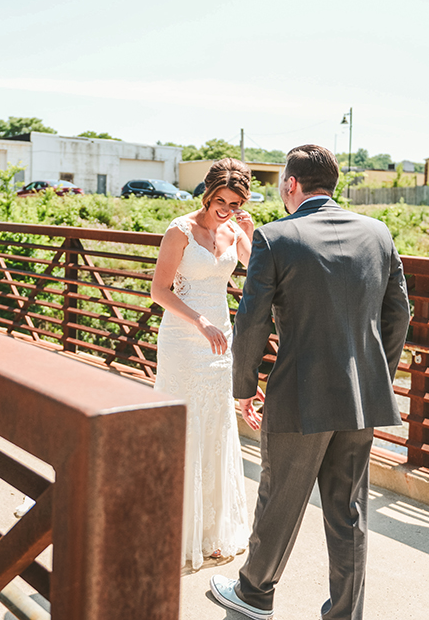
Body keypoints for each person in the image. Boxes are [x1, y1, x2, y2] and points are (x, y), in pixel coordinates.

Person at [210, 145, 410, 620]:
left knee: (279, 498)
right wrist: (376, 376)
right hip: (360, 398)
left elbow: (252, 322)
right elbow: (399, 313)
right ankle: (345, 614)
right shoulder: (378, 234)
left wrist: (243, 388)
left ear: (291, 185)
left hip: (298, 397)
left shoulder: (275, 237)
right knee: (349, 513)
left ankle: (255, 594)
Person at [151, 158, 258, 571]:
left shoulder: (234, 228)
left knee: (216, 424)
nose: (225, 210)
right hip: (184, 338)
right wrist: (199, 320)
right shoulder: (179, 231)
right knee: (185, 425)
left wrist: (248, 234)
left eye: (234, 204)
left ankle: (213, 531)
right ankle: (177, 528)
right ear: (207, 194)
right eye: (220, 201)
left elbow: (255, 274)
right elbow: (159, 290)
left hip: (221, 341)